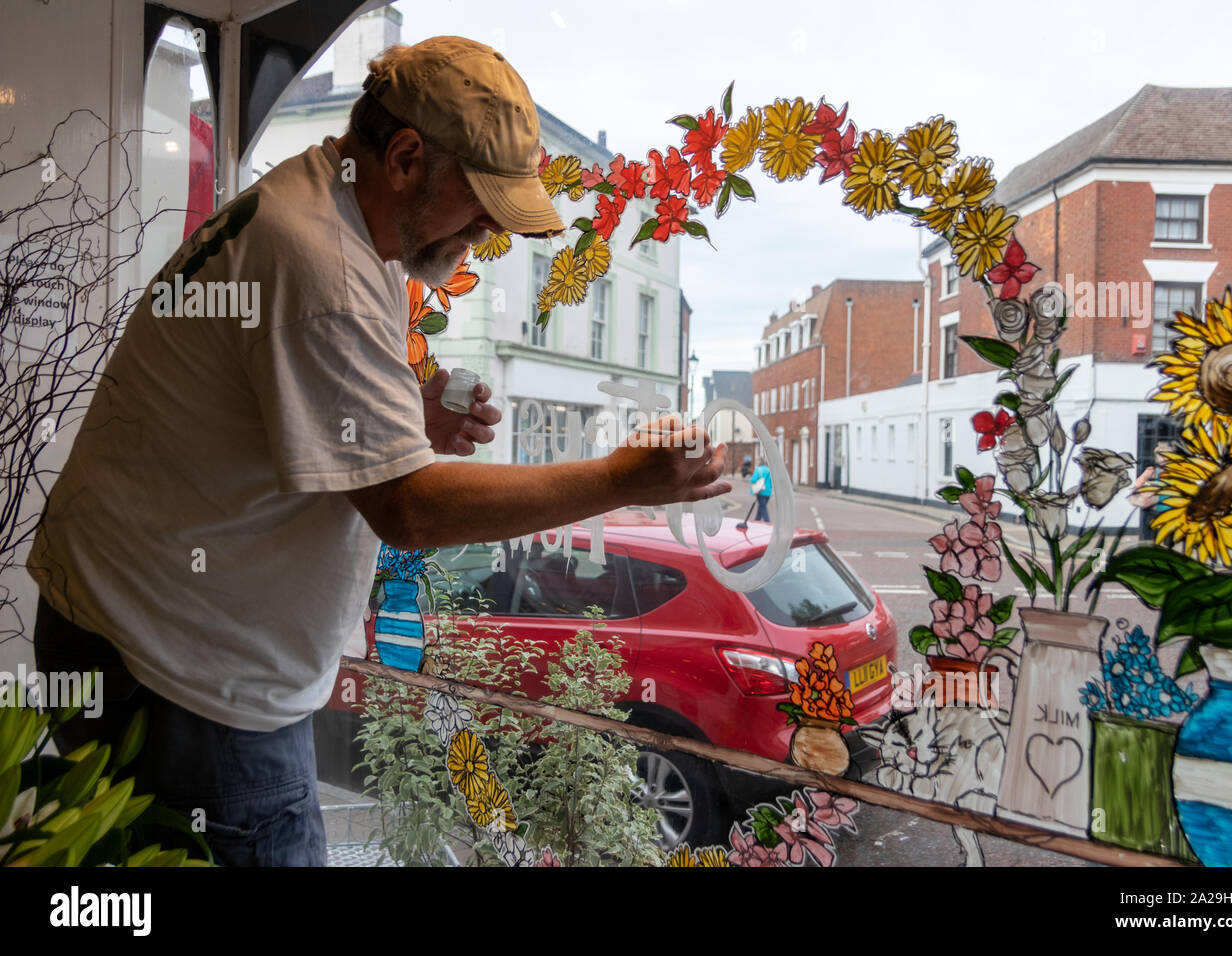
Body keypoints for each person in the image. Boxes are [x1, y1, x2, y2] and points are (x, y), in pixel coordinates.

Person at [25, 36, 728, 866]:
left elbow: (276, 411)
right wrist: (620, 477)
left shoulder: (317, 206)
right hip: (185, 671)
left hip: (118, 619)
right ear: (403, 158)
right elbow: (410, 509)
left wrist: (402, 424)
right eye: (481, 201)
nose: (491, 229)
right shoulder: (323, 266)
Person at [750, 455, 773, 523]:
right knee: (761, 507)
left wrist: (750, 479)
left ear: (759, 463)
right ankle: (756, 521)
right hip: (768, 492)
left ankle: (768, 522)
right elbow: (772, 481)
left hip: (761, 491)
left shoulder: (758, 470)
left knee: (763, 508)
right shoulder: (769, 470)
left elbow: (753, 480)